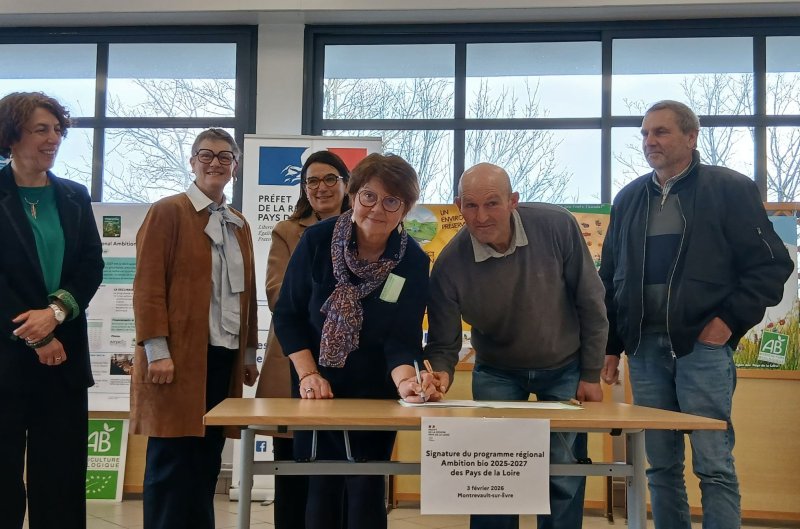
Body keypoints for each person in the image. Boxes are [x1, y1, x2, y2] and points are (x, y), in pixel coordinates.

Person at [600, 100, 793, 529]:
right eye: (645, 133)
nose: (650, 141)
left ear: (691, 137)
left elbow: (771, 266)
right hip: (644, 351)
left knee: (713, 463)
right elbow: (610, 278)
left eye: (661, 132)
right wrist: (612, 345)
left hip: (702, 349)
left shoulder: (729, 189)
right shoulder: (628, 199)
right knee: (660, 465)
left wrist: (728, 322)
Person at [424, 162, 608, 529]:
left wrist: (591, 373)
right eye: (471, 205)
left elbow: (590, 300)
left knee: (563, 473)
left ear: (513, 201)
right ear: (459, 206)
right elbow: (443, 344)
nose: (481, 217)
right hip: (497, 371)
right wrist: (439, 377)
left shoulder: (557, 226)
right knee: (495, 476)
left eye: (492, 203)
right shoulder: (449, 266)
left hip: (564, 365)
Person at [272, 153, 437, 529]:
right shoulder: (317, 241)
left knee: (366, 488)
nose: (377, 209)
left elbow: (402, 338)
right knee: (321, 488)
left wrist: (407, 383)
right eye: (369, 196)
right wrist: (308, 375)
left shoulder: (411, 261)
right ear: (353, 196)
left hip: (375, 392)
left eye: (392, 201)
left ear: (405, 209)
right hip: (318, 388)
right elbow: (289, 315)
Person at [130, 128, 260, 529]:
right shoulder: (167, 211)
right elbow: (148, 287)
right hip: (176, 358)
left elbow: (247, 294)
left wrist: (248, 353)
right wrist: (157, 351)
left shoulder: (238, 223)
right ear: (192, 162)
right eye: (206, 155)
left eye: (224, 156)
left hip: (222, 356)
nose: (215, 163)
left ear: (235, 166)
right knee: (172, 461)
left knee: (206, 459)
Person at [0, 92, 104, 529]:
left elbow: (91, 265)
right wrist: (38, 334)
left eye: (57, 130)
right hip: (6, 358)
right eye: (41, 129)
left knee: (60, 478)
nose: (53, 139)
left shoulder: (74, 196)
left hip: (64, 359)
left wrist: (57, 313)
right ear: (12, 135)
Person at [255, 150, 352, 529]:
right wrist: (336, 308)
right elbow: (278, 294)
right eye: (312, 181)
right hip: (293, 357)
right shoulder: (288, 231)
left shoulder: (364, 226)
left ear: (346, 184)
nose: (320, 187)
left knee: (344, 466)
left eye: (329, 179)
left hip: (348, 359)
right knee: (292, 465)